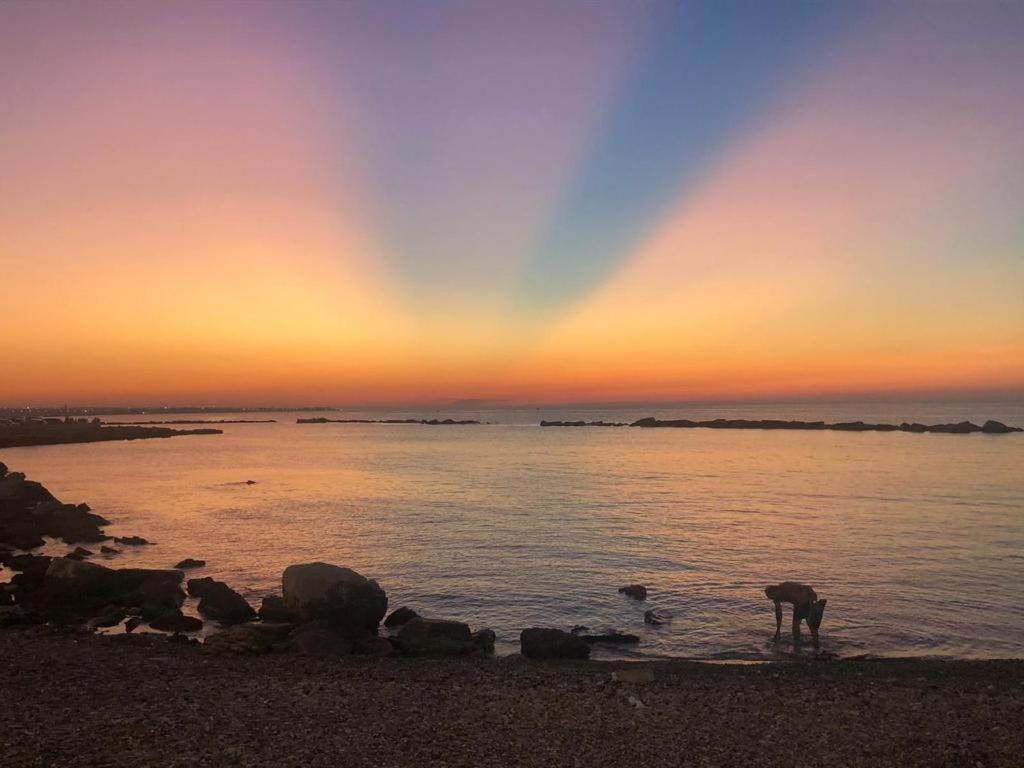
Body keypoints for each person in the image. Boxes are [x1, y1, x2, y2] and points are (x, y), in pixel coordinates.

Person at [764, 582, 827, 648]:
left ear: (775, 591)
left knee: (811, 625)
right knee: (795, 627)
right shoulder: (776, 598)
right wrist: (778, 629)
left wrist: (812, 601)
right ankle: (797, 645)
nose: (773, 598)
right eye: (770, 597)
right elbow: (779, 613)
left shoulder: (785, 586)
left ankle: (816, 646)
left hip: (808, 599)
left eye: (772, 596)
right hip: (798, 605)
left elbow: (807, 587)